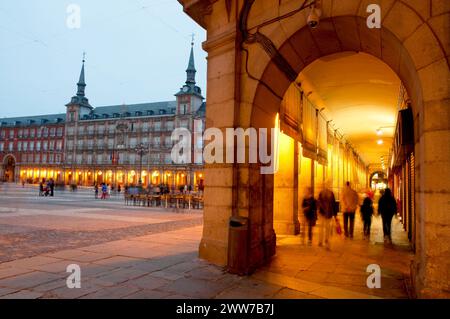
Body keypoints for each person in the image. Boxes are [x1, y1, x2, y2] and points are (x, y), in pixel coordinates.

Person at [317, 181, 338, 250]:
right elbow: (334, 204)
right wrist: (335, 214)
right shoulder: (331, 194)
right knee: (327, 228)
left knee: (322, 227)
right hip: (328, 213)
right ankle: (325, 240)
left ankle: (321, 241)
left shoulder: (322, 193)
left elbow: (319, 202)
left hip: (323, 213)